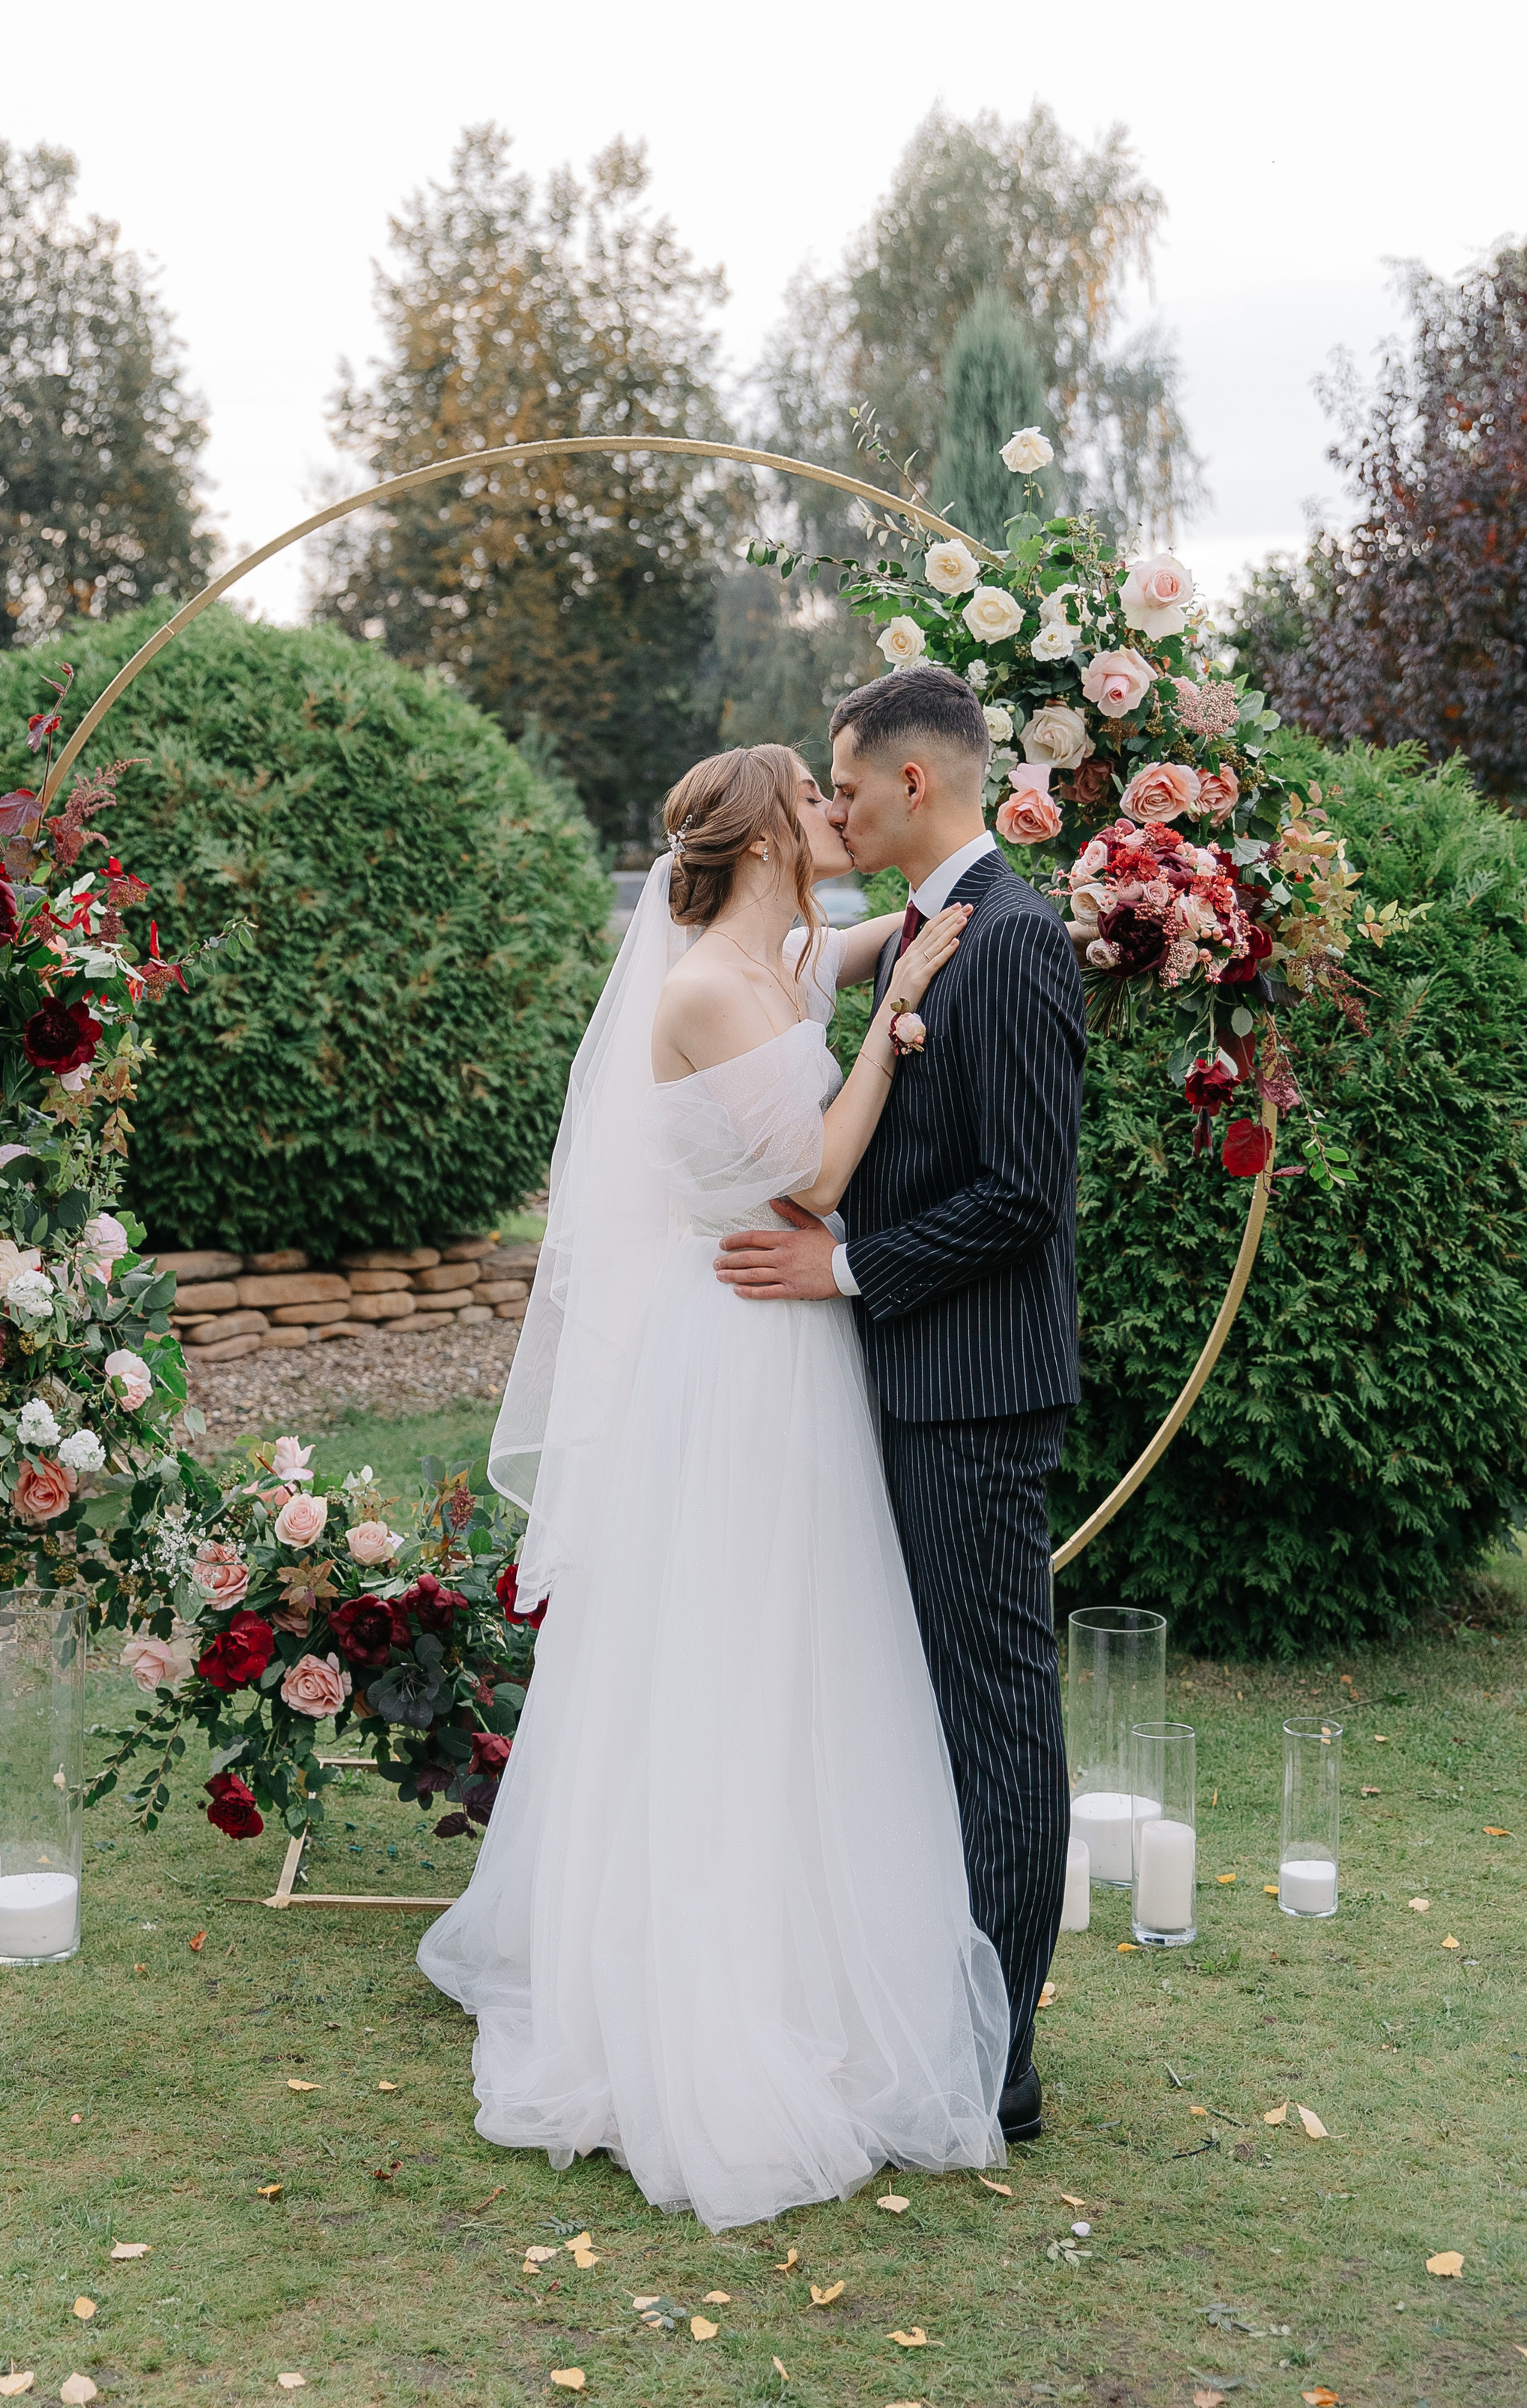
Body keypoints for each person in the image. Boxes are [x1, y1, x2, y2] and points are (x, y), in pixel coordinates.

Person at [416, 741, 1012, 2234]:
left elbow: (841, 949)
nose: (835, 810)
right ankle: (689, 1976)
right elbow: (809, 1176)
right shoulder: (696, 990)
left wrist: (938, 920)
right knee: (721, 1649)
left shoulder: (780, 957)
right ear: (759, 836)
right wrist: (895, 1023)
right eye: (813, 799)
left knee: (800, 1645)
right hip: (736, 1351)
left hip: (791, 1348)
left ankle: (794, 1937)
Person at [712, 669, 1085, 2147]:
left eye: (847, 787)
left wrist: (845, 1264)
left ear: (911, 787)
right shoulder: (928, 937)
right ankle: (937, 2016)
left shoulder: (1010, 946)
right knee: (931, 1715)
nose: (836, 806)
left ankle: (994, 2056)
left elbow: (1021, 1198)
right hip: (907, 1386)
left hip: (970, 1399)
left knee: (994, 1716)